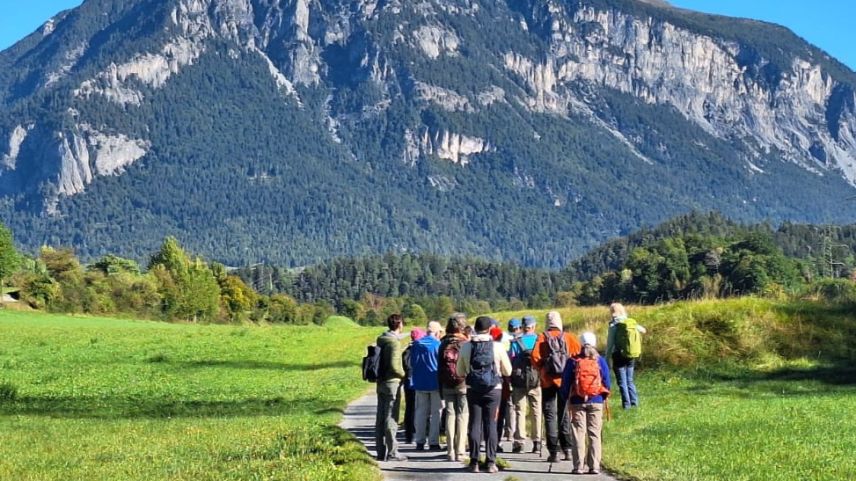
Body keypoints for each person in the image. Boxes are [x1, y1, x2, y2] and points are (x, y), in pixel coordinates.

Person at [456, 316, 512, 473]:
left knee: (474, 423)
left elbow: (459, 371)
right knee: (491, 424)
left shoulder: (466, 347)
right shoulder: (497, 346)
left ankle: (474, 462)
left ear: (475, 328)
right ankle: (491, 462)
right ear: (489, 329)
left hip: (473, 389)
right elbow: (508, 370)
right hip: (494, 389)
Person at [531, 310, 581, 462]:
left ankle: (553, 452)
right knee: (564, 413)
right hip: (565, 381)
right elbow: (577, 355)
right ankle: (567, 449)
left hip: (547, 381)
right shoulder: (569, 337)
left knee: (550, 414)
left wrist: (542, 369)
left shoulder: (542, 338)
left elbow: (534, 357)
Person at [561, 332, 611, 475]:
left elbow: (565, 383)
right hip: (596, 401)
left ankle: (578, 466)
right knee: (594, 434)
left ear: (581, 344)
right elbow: (607, 381)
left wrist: (565, 398)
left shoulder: (573, 361)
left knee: (578, 433)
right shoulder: (600, 360)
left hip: (577, 401)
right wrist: (603, 395)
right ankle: (594, 466)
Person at [375, 314, 408, 462]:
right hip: (392, 383)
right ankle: (393, 451)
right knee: (391, 417)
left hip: (380, 382)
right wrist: (404, 375)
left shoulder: (381, 340)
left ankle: (380, 451)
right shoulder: (394, 343)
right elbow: (395, 366)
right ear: (399, 324)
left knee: (380, 417)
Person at [438, 313, 469, 461]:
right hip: (463, 383)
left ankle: (450, 451)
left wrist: (440, 387)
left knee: (450, 415)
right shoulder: (465, 343)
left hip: (446, 382)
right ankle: (460, 451)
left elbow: (439, 366)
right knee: (463, 415)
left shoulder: (443, 343)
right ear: (462, 327)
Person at [509, 315, 542, 454]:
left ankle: (519, 442)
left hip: (519, 380)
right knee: (536, 411)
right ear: (533, 327)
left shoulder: (516, 342)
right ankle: (537, 441)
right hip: (536, 380)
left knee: (519, 411)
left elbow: (511, 359)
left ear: (522, 327)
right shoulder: (539, 341)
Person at [605, 303, 647, 409]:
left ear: (612, 312)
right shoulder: (630, 323)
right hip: (630, 355)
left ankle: (626, 405)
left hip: (618, 355)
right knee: (630, 380)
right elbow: (643, 330)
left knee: (622, 382)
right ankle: (634, 402)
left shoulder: (614, 325)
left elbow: (610, 345)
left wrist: (607, 359)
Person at [411, 321, 443, 451]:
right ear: (436, 332)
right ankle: (433, 441)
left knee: (420, 412)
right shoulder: (438, 344)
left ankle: (419, 441)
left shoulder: (417, 344)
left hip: (419, 381)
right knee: (436, 413)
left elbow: (413, 362)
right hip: (435, 381)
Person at [496, 318, 521, 452]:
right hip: (515, 377)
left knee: (505, 407)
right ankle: (511, 434)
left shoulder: (505, 339)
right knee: (513, 407)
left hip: (502, 378)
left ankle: (504, 434)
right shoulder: (519, 340)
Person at [402, 327, 425, 444]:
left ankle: (409, 434)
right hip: (418, 381)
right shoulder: (420, 350)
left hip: (408, 381)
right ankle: (417, 432)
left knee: (409, 408)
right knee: (419, 408)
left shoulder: (406, 351)